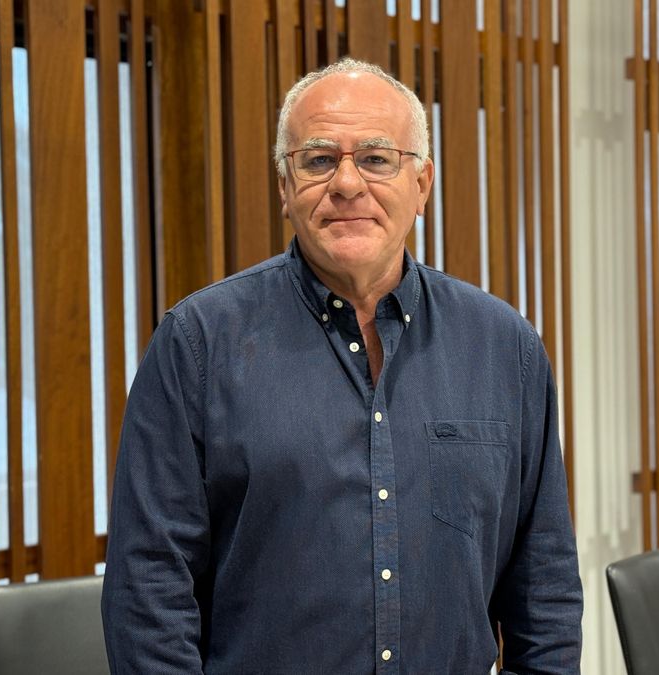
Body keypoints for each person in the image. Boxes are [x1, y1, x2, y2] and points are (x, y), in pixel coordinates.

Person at [102, 57, 582, 674]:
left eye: (377, 158)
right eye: (319, 159)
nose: (348, 183)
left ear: (423, 185)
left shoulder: (504, 348)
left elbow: (544, 588)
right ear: (285, 186)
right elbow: (148, 591)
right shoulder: (198, 345)